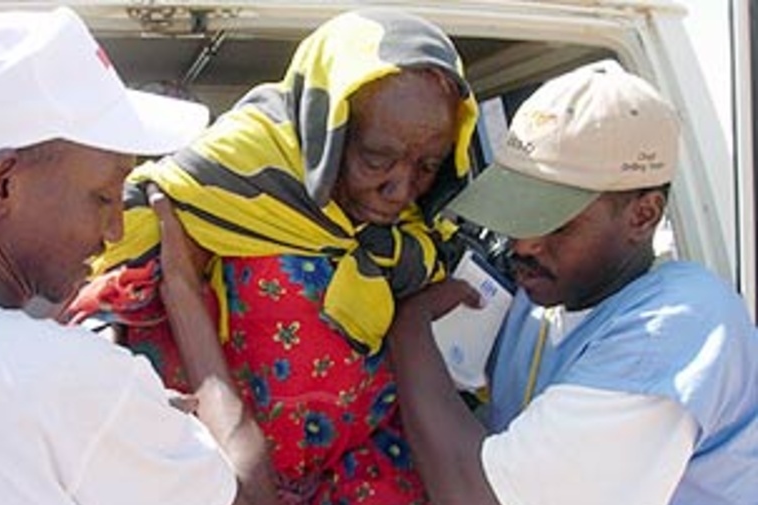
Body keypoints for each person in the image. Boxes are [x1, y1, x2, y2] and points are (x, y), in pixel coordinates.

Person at [65, 9, 479, 504]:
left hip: (355, 476)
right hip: (221, 478)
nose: (401, 189)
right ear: (326, 127)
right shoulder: (227, 180)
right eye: (376, 159)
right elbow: (108, 286)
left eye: (428, 166)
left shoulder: (420, 239)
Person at [0, 8, 239, 505]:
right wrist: (182, 289)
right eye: (103, 197)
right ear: (2, 184)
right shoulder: (78, 380)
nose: (116, 230)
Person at [389, 60, 758, 505]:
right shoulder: (544, 299)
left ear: (643, 215)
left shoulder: (678, 326)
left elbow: (478, 496)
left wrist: (408, 329)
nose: (523, 243)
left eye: (554, 222)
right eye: (516, 212)